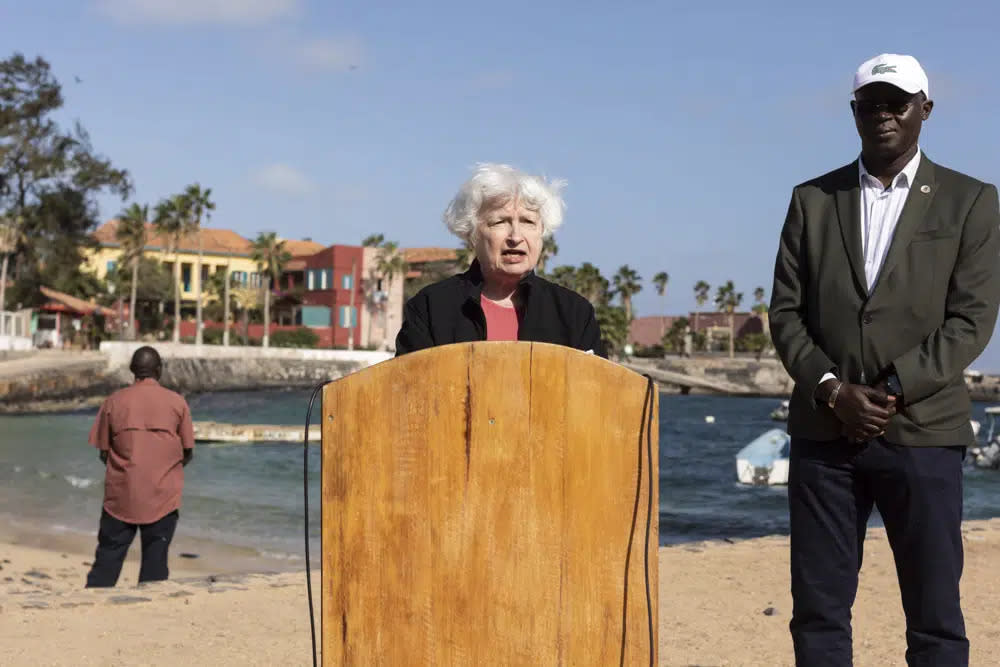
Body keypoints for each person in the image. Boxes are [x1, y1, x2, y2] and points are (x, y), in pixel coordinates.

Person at [769, 53, 1000, 666]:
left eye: (897, 102)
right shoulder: (812, 199)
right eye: (870, 104)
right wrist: (830, 389)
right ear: (854, 113)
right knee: (818, 613)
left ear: (925, 108)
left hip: (923, 434)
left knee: (934, 618)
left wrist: (893, 388)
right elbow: (785, 315)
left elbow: (972, 319)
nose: (884, 115)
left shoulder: (971, 201)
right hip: (825, 433)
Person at [395, 163, 605, 357]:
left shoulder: (574, 313)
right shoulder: (431, 307)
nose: (515, 236)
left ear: (542, 231)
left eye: (528, 221)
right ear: (472, 234)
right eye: (500, 222)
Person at [85, 346, 195, 587]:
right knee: (155, 569)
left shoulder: (113, 402)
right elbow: (187, 452)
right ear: (159, 371)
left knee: (106, 563)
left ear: (132, 370)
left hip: (120, 497)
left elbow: (103, 451)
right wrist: (161, 470)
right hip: (162, 498)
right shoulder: (177, 403)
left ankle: (90, 611)